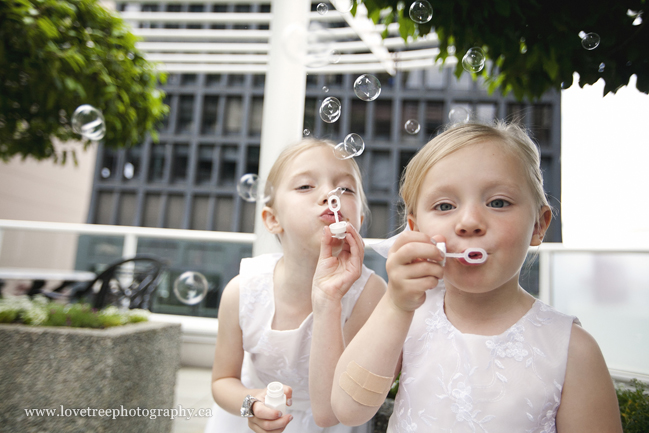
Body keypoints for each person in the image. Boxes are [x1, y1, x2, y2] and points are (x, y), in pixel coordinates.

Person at [331, 122, 623, 432]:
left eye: (498, 203)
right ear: (415, 231)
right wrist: (395, 304)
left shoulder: (572, 350)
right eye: (445, 206)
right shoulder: (406, 318)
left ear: (539, 225)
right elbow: (348, 410)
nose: (469, 222)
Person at [204, 139, 386, 433]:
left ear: (360, 220)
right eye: (305, 186)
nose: (330, 194)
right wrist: (250, 403)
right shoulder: (242, 291)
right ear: (273, 219)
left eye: (346, 189)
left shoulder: (369, 294)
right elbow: (222, 382)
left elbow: (338, 400)